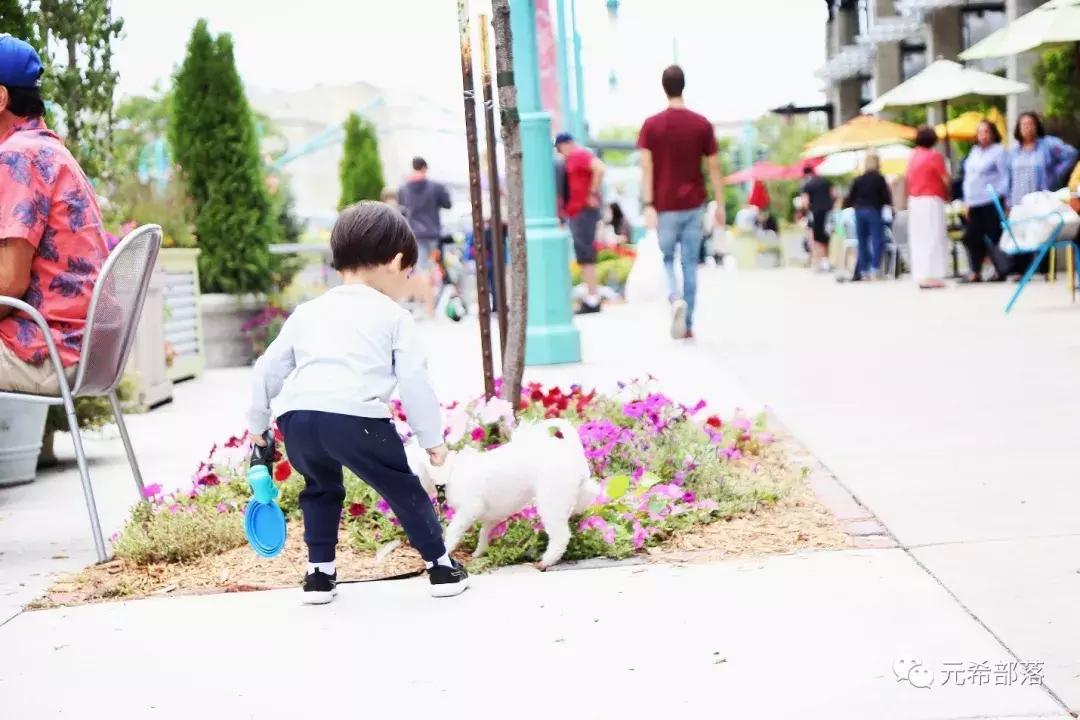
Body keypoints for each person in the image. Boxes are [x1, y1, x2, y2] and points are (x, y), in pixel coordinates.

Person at [247, 201, 469, 604]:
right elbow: (414, 381)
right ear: (396, 262)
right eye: (408, 271)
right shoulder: (394, 315)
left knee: (319, 488)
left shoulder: (307, 312)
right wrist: (432, 440)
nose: (408, 279)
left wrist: (258, 425)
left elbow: (267, 370)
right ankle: (441, 567)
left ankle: (318, 575)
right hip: (356, 418)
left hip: (298, 418)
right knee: (403, 489)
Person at [0, 35, 109, 395]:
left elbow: (9, 282)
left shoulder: (17, 156)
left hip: (45, 351)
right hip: (78, 349)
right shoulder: (46, 150)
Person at [637, 65, 724, 340]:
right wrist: (720, 203)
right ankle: (687, 324)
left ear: (664, 87)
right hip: (694, 204)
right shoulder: (701, 124)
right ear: (683, 85)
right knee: (689, 263)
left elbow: (647, 166)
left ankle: (673, 297)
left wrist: (648, 204)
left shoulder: (651, 125)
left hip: (664, 205)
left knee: (666, 258)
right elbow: (713, 167)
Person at [555, 132, 605, 314]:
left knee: (586, 254)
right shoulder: (572, 159)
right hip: (577, 211)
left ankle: (592, 297)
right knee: (583, 254)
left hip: (583, 209)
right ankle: (590, 295)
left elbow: (599, 168)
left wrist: (592, 193)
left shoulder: (579, 155)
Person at [397, 157, 451, 317]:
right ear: (425, 168)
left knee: (420, 270)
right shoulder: (436, 187)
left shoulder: (403, 189)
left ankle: (423, 305)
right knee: (430, 270)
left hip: (414, 235)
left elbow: (402, 211)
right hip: (433, 235)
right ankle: (429, 308)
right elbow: (448, 204)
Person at [959, 119, 1009, 283]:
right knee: (971, 237)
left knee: (995, 236)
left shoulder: (998, 151)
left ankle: (1001, 270)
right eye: (980, 132)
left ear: (993, 133)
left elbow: (1004, 176)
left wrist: (1003, 197)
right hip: (974, 202)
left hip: (991, 199)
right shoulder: (974, 152)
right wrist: (966, 201)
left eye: (986, 131)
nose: (983, 135)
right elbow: (968, 178)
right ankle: (975, 270)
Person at [905, 126, 950, 289]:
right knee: (934, 236)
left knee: (918, 238)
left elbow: (908, 179)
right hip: (931, 199)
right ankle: (934, 274)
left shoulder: (912, 155)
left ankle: (921, 274)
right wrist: (949, 195)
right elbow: (945, 179)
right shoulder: (934, 156)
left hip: (915, 200)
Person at [843, 153, 892, 281]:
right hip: (873, 210)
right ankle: (875, 268)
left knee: (862, 241)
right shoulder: (879, 178)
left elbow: (850, 197)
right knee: (877, 240)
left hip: (859, 211)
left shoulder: (858, 179)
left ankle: (864, 270)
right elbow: (886, 197)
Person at [801, 166, 835, 273]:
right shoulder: (826, 181)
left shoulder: (807, 184)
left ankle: (818, 263)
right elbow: (833, 194)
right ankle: (826, 261)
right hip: (828, 212)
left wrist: (806, 211)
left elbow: (805, 202)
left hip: (816, 213)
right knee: (826, 236)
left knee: (817, 238)